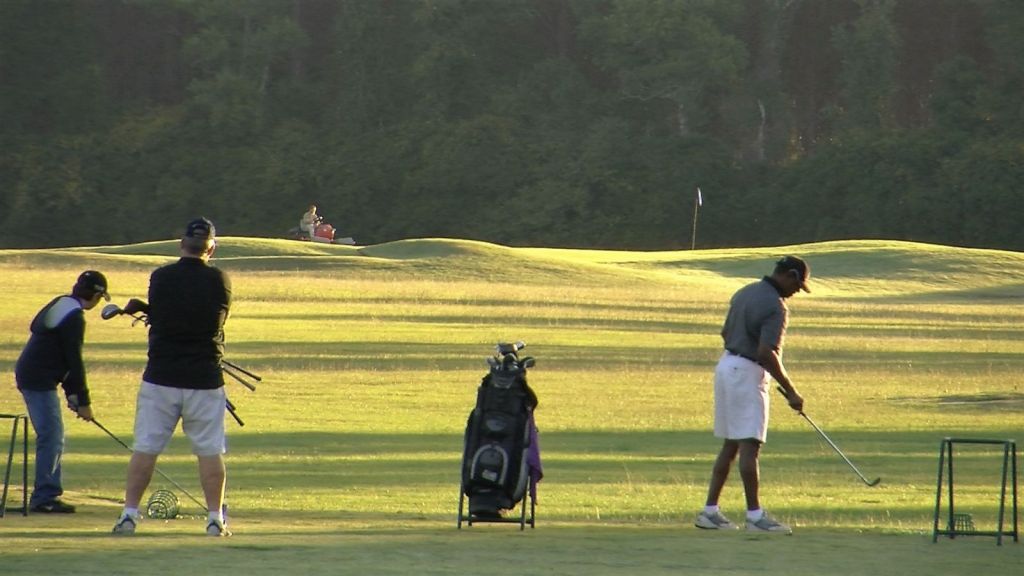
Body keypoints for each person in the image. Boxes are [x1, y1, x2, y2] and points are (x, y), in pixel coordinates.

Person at [112, 217, 233, 537]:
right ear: (212, 248)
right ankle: (214, 519)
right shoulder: (219, 279)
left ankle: (129, 515)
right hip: (205, 377)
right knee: (209, 451)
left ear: (182, 244)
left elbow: (164, 318)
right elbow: (212, 323)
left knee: (146, 447)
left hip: (161, 376)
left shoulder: (161, 277)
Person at [694, 256, 810, 534]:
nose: (796, 291)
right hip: (746, 371)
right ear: (790, 275)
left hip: (726, 366)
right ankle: (755, 517)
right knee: (750, 445)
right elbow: (766, 352)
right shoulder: (776, 306)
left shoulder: (744, 292)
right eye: (797, 284)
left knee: (731, 444)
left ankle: (710, 512)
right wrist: (791, 391)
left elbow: (725, 332)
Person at [15, 270, 110, 513]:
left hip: (34, 374)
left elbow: (63, 362)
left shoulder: (62, 303)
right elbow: (73, 360)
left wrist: (73, 395)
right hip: (38, 378)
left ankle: (46, 494)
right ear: (97, 296)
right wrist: (84, 401)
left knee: (52, 434)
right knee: (52, 436)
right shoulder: (75, 317)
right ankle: (45, 498)